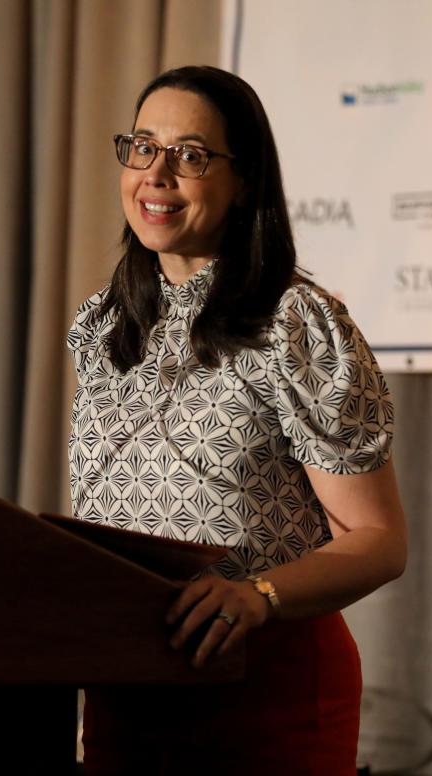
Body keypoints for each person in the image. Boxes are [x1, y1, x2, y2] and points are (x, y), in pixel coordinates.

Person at [67, 66, 407, 775]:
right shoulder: (105, 327)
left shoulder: (294, 324)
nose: (157, 175)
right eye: (142, 147)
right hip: (126, 691)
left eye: (191, 156)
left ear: (243, 180)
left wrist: (259, 594)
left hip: (266, 695)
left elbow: (378, 540)